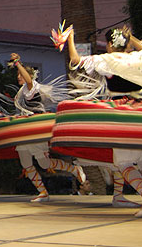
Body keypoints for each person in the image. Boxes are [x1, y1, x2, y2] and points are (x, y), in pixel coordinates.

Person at [55, 26, 142, 217]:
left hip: (125, 117)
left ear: (109, 45)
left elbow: (75, 60)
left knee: (123, 163)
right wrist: (131, 37)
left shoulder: (106, 59)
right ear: (125, 44)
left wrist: (71, 39)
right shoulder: (140, 57)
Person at [7, 53, 85, 203]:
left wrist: (17, 63)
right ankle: (43, 192)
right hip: (24, 130)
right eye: (17, 75)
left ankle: (74, 169)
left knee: (44, 163)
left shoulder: (31, 87)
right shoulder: (21, 91)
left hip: (35, 129)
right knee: (25, 163)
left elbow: (28, 80)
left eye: (20, 74)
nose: (18, 77)